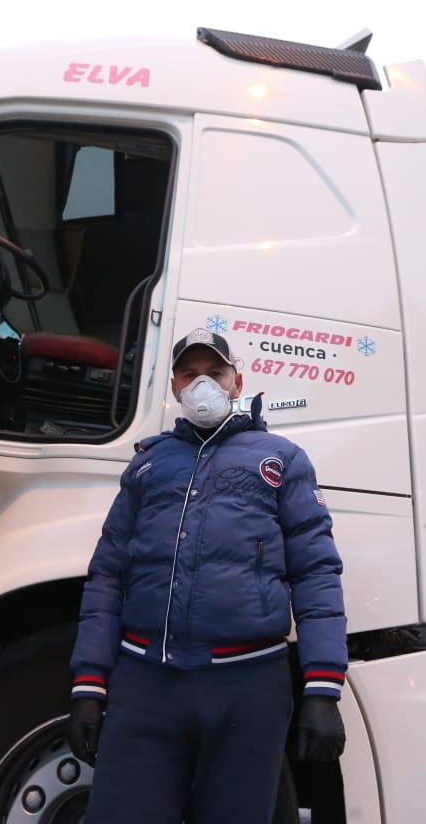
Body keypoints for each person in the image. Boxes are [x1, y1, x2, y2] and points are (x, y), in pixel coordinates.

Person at [67, 327, 348, 824]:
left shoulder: (282, 461)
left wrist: (322, 688)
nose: (203, 384)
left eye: (215, 373)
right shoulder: (148, 467)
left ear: (236, 381)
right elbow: (107, 576)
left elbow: (316, 574)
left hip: (249, 689)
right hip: (145, 684)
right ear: (175, 386)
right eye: (191, 374)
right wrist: (88, 684)